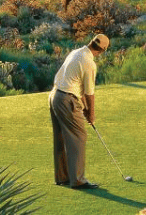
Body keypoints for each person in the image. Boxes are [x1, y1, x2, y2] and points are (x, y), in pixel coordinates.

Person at [50, 33, 110, 189]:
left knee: (61, 137)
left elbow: (79, 87)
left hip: (55, 96)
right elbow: (89, 93)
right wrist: (91, 113)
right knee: (79, 136)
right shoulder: (89, 63)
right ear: (102, 50)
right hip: (66, 99)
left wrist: (83, 107)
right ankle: (77, 180)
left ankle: (62, 177)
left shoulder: (76, 52)